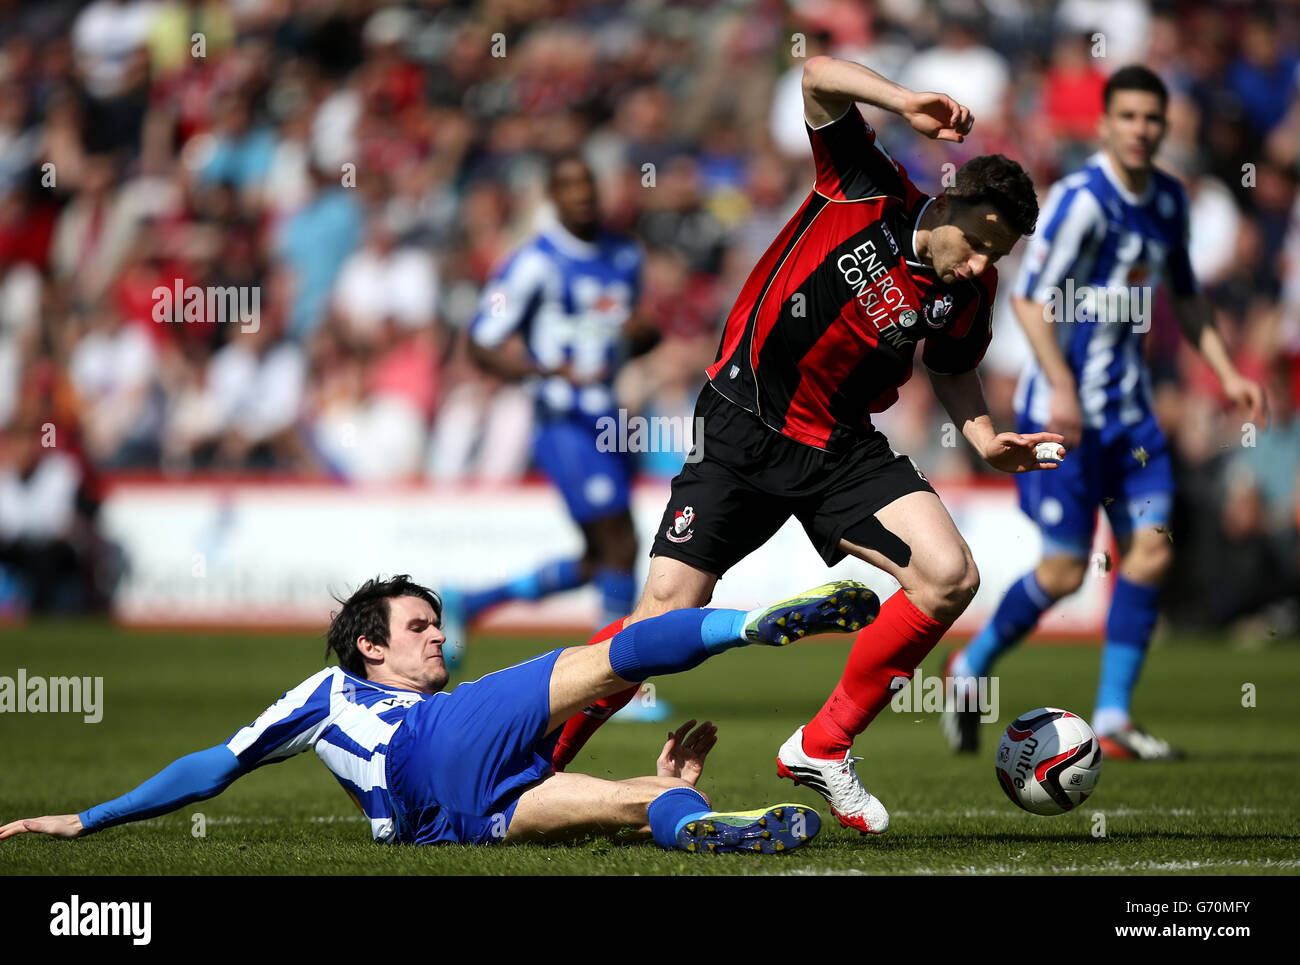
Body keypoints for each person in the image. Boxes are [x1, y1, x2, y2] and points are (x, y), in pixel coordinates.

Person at [548, 54, 1060, 836]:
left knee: (949, 574)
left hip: (838, 452)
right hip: (742, 425)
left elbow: (955, 368)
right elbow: (815, 74)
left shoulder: (971, 291)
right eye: (982, 241)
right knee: (661, 618)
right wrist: (901, 101)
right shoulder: (865, 183)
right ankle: (538, 761)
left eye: (1003, 252)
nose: (986, 262)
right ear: (951, 200)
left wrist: (986, 437)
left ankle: (823, 744)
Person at [0, 576, 880, 854]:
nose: (435, 639)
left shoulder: (397, 699)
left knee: (629, 802)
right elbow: (215, 764)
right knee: (609, 656)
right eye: (418, 626)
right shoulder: (333, 692)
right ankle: (751, 625)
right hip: (431, 749)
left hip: (454, 824)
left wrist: (664, 786)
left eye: (437, 625)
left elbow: (216, 764)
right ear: (369, 648)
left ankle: (701, 825)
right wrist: (93, 815)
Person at [942, 66, 1266, 760]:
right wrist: (1059, 383)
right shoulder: (1079, 201)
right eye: (1129, 116)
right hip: (1063, 416)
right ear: (1105, 123)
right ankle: (969, 668)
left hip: (1132, 419)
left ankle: (1114, 715)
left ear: (1165, 123)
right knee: (1063, 572)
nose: (1142, 129)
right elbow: (1029, 299)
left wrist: (1229, 372)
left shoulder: (1171, 203)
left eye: (1153, 117)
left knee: (1149, 553)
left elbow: (1185, 297)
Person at [438, 154, 654, 669]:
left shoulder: (623, 255)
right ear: (552, 198)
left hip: (610, 421)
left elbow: (640, 330)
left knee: (600, 558)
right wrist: (543, 371)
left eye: (588, 184)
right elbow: (481, 342)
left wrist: (637, 339)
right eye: (569, 185)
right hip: (561, 422)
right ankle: (613, 677)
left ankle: (470, 602)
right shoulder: (531, 262)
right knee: (621, 543)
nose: (582, 194)